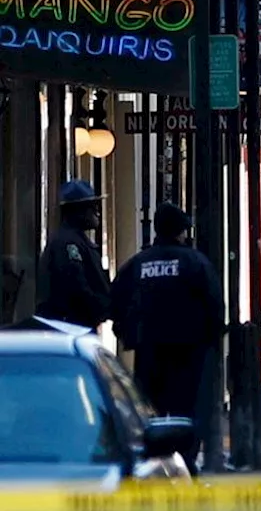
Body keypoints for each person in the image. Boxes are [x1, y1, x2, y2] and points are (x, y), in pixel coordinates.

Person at [110, 203, 223, 474]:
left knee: (151, 414)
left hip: (149, 354)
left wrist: (126, 333)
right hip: (189, 354)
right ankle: (185, 463)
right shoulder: (195, 263)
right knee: (187, 412)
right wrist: (210, 341)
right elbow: (215, 307)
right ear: (181, 231)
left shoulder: (138, 264)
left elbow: (114, 300)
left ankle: (157, 465)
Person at [36, 180, 111, 329]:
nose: (97, 212)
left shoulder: (76, 241)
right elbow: (77, 287)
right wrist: (99, 307)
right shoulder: (68, 244)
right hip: (71, 327)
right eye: (92, 207)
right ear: (78, 211)